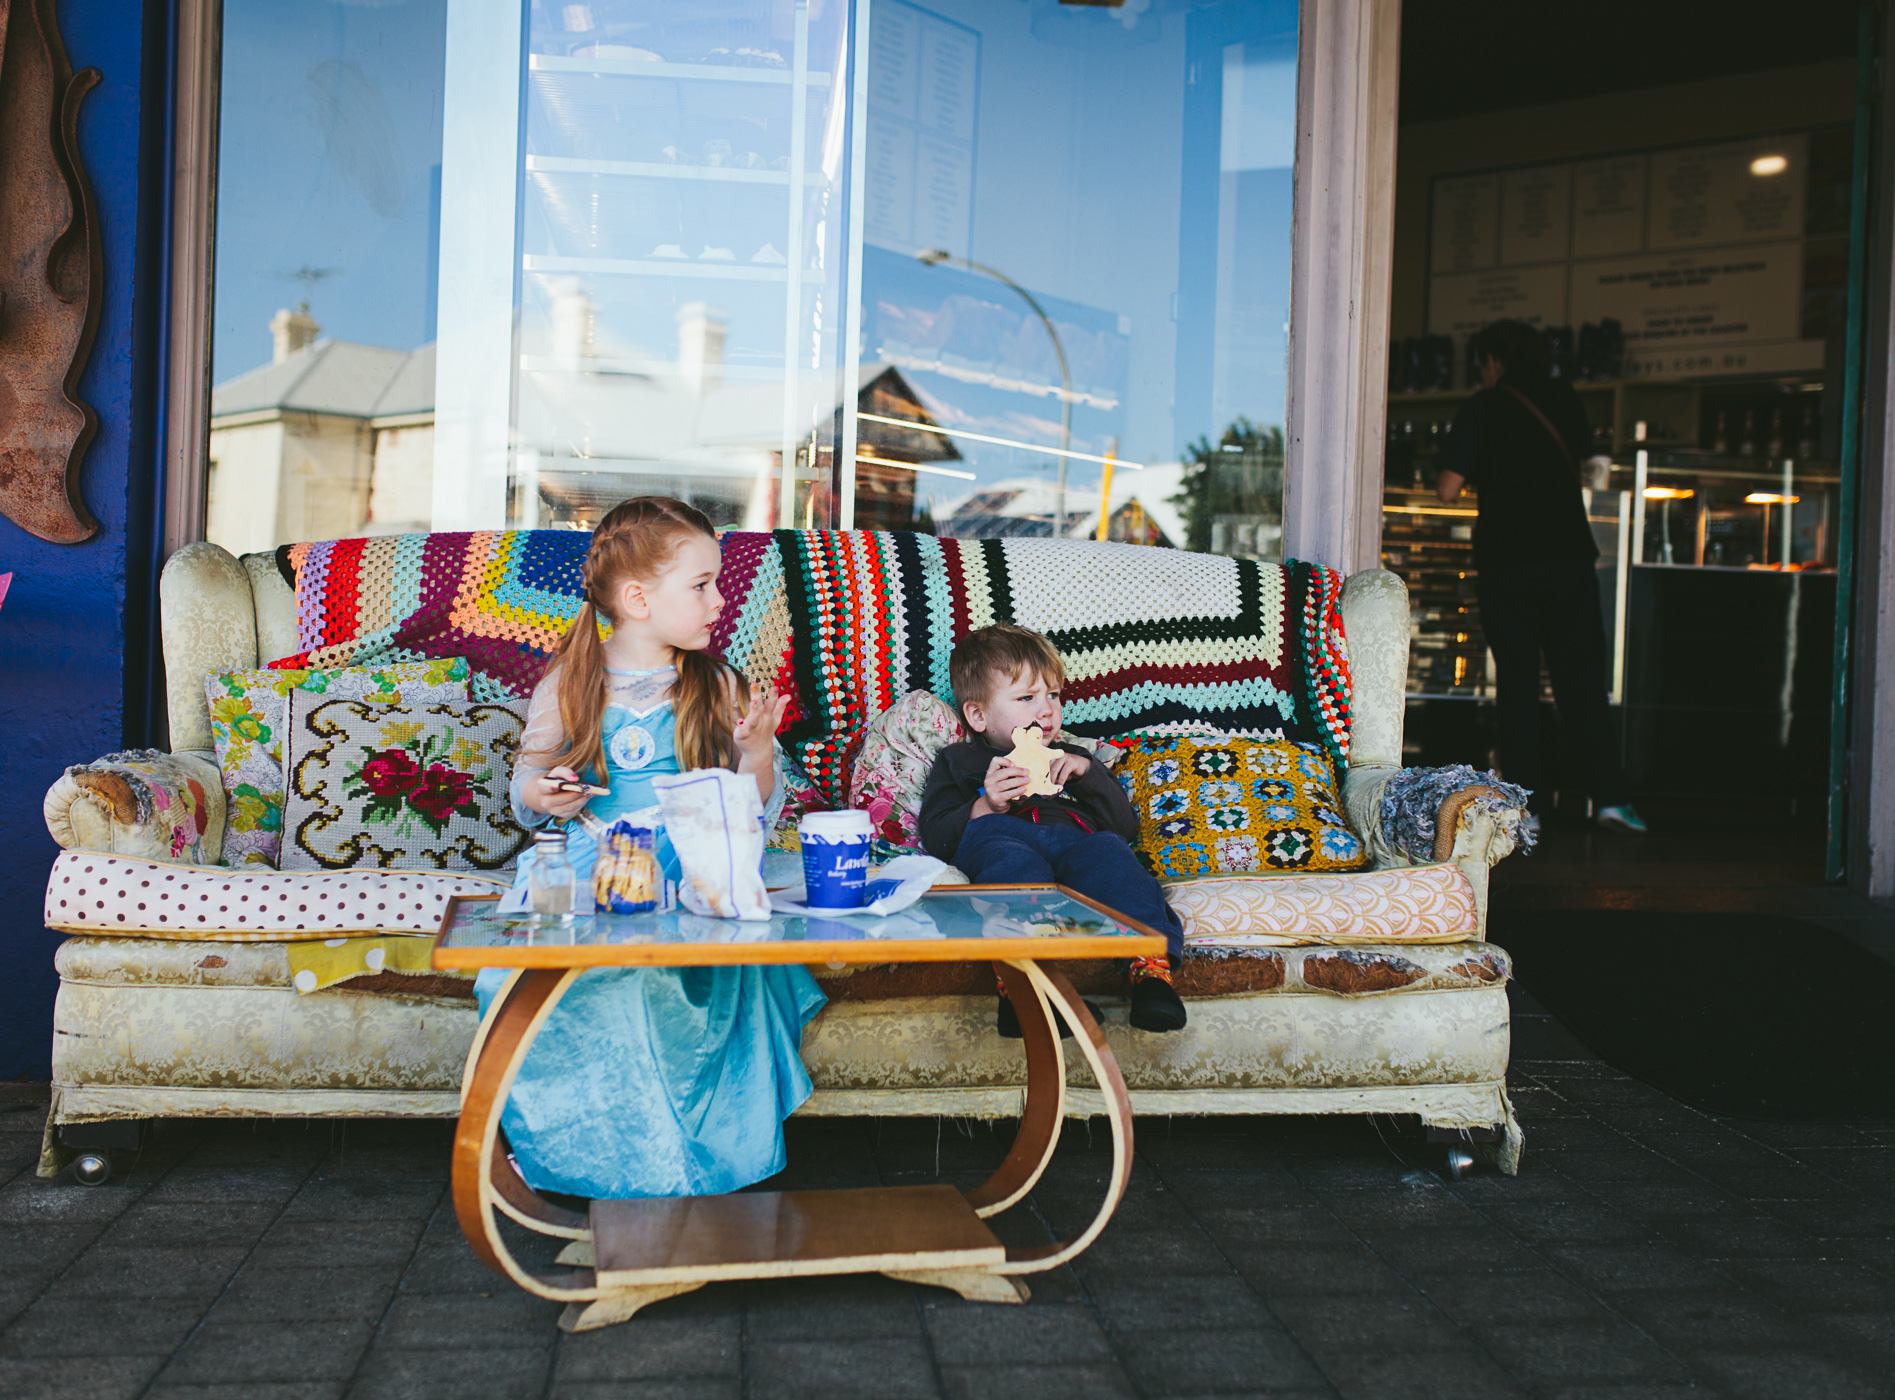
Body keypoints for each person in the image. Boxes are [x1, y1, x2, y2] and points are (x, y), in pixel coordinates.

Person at [477, 496, 823, 1200]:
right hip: (594, 858)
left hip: (694, 859)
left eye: (717, 583)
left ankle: (696, 1156)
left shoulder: (718, 684)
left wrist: (757, 754)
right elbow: (525, 783)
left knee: (693, 972)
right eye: (701, 586)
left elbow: (753, 810)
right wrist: (547, 793)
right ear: (637, 598)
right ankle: (577, 1149)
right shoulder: (572, 681)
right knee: (549, 975)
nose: (719, 601)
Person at [916, 624, 1189, 1034]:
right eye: (1027, 698)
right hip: (1002, 837)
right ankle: (1023, 992)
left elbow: (1124, 826)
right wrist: (984, 804)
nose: (1046, 710)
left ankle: (1151, 975)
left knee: (1114, 854)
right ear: (977, 715)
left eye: (1053, 695)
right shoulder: (960, 761)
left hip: (1075, 841)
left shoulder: (1073, 756)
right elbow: (935, 836)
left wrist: (1089, 774)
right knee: (1011, 868)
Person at [1436, 320, 1646, 838]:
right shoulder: (1563, 396)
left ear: (1491, 361)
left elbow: (1446, 488)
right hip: (1568, 557)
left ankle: (1525, 811)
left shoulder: (1481, 407)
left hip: (1508, 564)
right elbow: (1594, 471)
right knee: (1581, 682)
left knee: (1519, 685)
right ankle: (1611, 802)